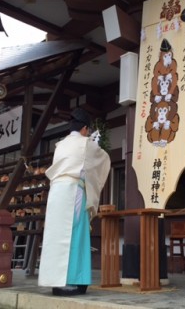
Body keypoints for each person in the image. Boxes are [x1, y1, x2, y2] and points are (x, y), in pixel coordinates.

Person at [38, 108, 111, 296]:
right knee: (75, 234)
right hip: (73, 190)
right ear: (85, 128)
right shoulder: (85, 143)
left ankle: (56, 281)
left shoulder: (60, 145)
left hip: (56, 192)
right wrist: (97, 143)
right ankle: (73, 280)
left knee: (56, 235)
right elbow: (101, 160)